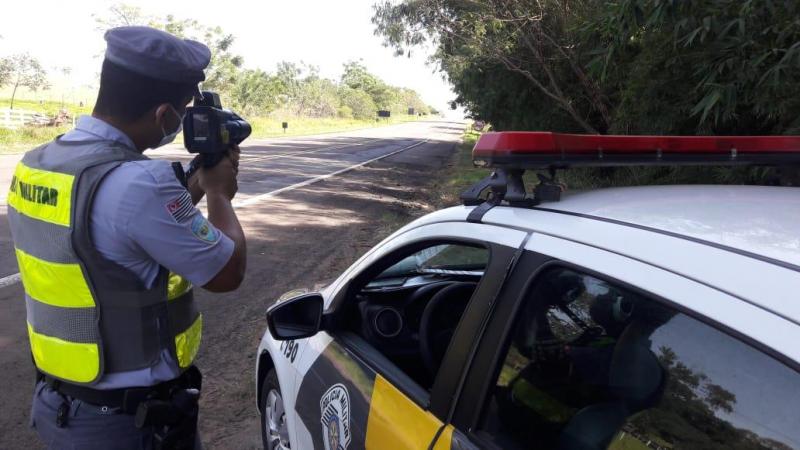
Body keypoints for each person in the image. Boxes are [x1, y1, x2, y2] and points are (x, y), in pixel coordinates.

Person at [6, 26, 247, 449]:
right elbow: (226, 273)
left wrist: (191, 186)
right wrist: (218, 193)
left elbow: (108, 235)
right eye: (183, 110)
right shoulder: (140, 184)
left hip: (60, 406)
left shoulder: (39, 163)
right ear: (163, 116)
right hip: (126, 424)